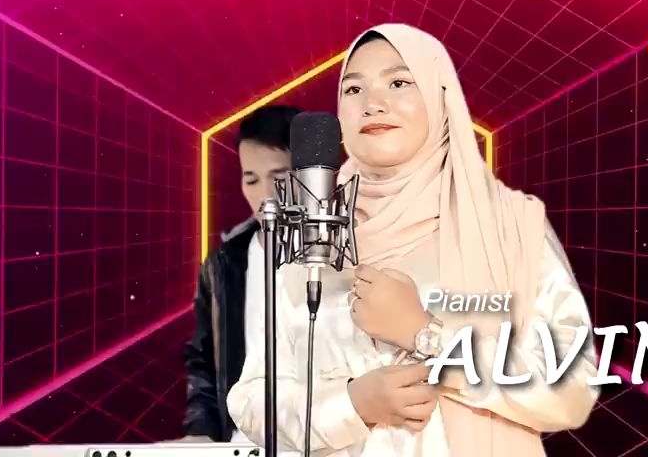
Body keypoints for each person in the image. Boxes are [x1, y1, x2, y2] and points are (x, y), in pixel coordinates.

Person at [226, 24, 600, 456]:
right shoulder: (306, 233)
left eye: (399, 83)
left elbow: (573, 387)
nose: (373, 103)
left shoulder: (510, 224)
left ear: (441, 98)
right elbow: (253, 399)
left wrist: (425, 335)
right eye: (354, 89)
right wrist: (353, 405)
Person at [182, 104, 301, 442]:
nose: (265, 194)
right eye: (251, 179)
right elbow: (203, 360)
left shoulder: (344, 254)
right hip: (242, 443)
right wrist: (201, 432)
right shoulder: (224, 264)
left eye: (279, 178)